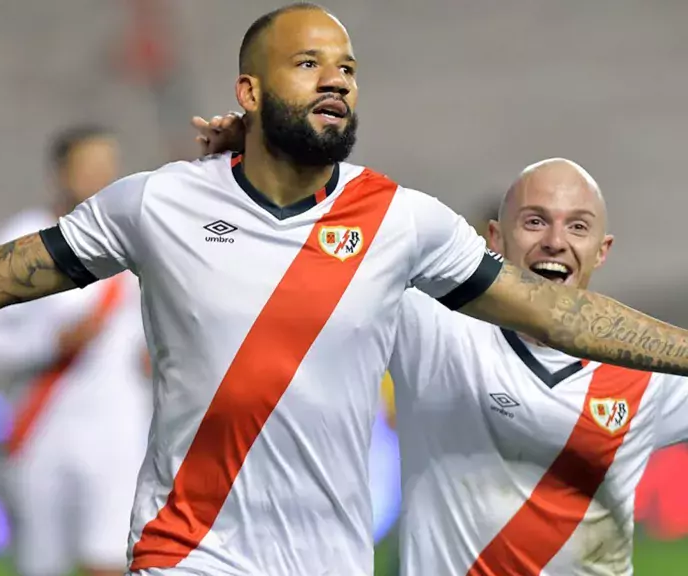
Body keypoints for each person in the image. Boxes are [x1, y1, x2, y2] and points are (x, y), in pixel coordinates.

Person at [0, 4, 688, 574]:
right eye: (308, 64)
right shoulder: (154, 204)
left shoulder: (402, 222)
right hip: (187, 553)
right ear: (249, 93)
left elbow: (560, 311)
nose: (336, 80)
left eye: (347, 66)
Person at [195, 109, 688, 575]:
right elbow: (309, 239)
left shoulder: (651, 375)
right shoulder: (434, 328)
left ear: (601, 251)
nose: (555, 241)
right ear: (494, 238)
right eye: (535, 221)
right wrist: (259, 165)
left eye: (577, 227)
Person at [0, 126, 150, 576]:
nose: (102, 178)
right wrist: (51, 344)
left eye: (109, 167)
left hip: (119, 433)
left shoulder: (143, 244)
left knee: (109, 562)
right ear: (60, 174)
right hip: (41, 432)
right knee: (40, 565)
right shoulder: (22, 238)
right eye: (90, 168)